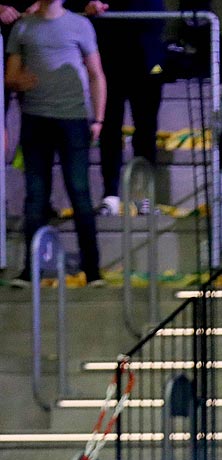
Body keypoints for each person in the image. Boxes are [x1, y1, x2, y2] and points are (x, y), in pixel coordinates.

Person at [5, 0, 106, 287]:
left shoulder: (79, 25)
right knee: (35, 196)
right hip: (36, 119)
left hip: (73, 119)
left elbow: (96, 74)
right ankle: (30, 270)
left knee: (80, 193)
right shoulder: (24, 27)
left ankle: (93, 270)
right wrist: (18, 81)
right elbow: (10, 76)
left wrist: (97, 118)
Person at [91, 0, 165, 215]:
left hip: (146, 58)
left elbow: (155, 13)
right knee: (110, 128)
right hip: (110, 56)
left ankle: (144, 197)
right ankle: (111, 196)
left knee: (146, 130)